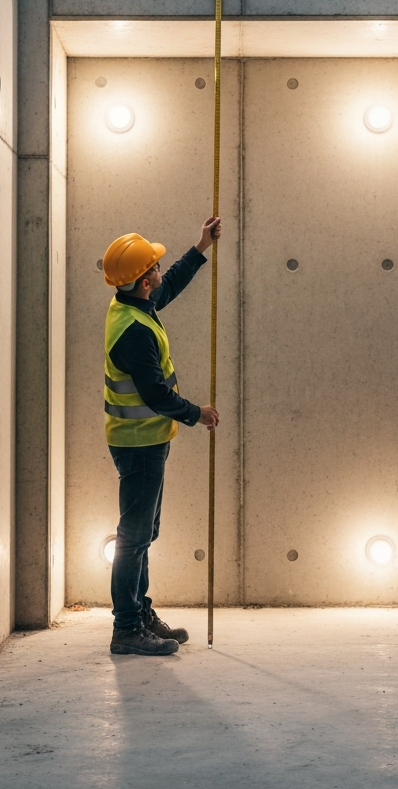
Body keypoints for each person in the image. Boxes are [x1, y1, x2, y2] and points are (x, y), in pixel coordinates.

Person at [101, 216, 221, 656]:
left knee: (143, 533)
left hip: (145, 441)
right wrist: (197, 413)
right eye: (153, 267)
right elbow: (153, 394)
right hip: (139, 445)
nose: (158, 271)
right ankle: (127, 629)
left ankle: (140, 612)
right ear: (142, 281)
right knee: (133, 538)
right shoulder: (133, 332)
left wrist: (200, 247)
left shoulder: (132, 305)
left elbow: (168, 287)